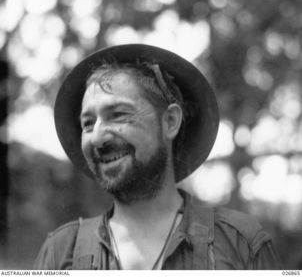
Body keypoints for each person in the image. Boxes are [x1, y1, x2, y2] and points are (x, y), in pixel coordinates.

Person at [34, 44, 280, 270]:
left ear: (170, 122)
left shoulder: (240, 245)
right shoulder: (61, 253)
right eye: (87, 124)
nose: (97, 137)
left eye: (118, 114)